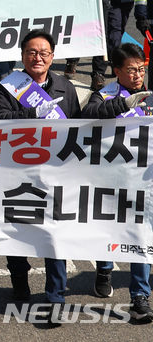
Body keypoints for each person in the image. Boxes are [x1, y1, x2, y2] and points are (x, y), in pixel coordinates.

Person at [0, 30, 80, 321]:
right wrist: (32, 113)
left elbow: (79, 129)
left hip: (55, 174)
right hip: (17, 173)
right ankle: (20, 283)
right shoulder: (9, 87)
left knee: (56, 235)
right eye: (31, 52)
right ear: (22, 56)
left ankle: (55, 295)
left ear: (52, 57)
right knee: (18, 233)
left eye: (43, 52)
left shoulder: (66, 87)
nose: (37, 57)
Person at [82, 43, 153, 322]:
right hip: (109, 177)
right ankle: (104, 267)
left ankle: (139, 296)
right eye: (131, 70)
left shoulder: (151, 95)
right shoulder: (104, 94)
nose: (137, 75)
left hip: (144, 183)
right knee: (108, 229)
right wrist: (122, 105)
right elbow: (85, 117)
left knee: (141, 236)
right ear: (117, 71)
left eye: (141, 69)